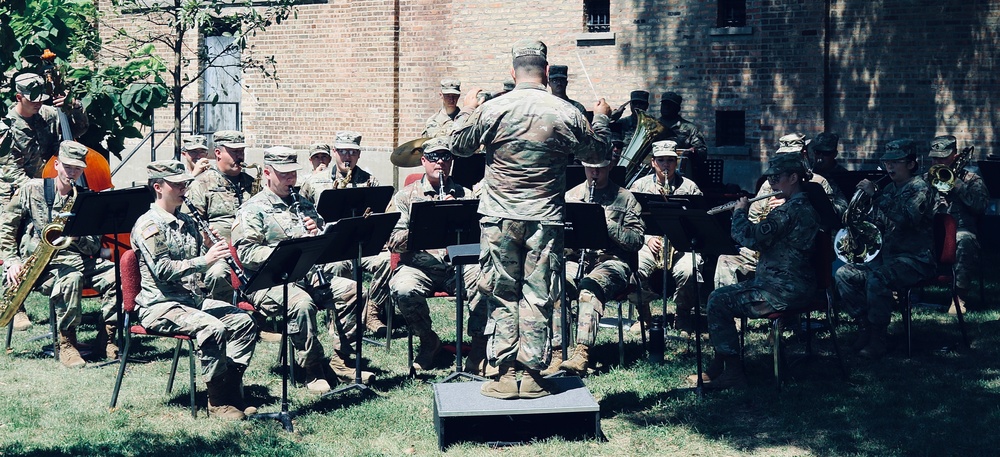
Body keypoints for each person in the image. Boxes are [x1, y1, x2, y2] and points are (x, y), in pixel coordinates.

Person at [451, 38, 611, 399]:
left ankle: (506, 375)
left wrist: (468, 109)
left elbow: (458, 146)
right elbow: (599, 154)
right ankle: (533, 376)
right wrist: (600, 119)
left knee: (503, 294)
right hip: (544, 219)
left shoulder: (493, 110)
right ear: (546, 69)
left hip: (498, 218)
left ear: (512, 71)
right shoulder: (565, 111)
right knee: (539, 296)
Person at [232, 146, 372, 393]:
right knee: (302, 305)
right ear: (267, 172)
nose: (291, 179)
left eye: (293, 174)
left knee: (354, 291)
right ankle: (313, 367)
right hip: (269, 281)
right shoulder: (252, 209)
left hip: (308, 276)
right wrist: (289, 251)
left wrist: (317, 235)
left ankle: (342, 360)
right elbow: (247, 254)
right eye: (283, 174)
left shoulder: (304, 204)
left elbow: (322, 246)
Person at [131, 160, 258, 420]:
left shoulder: (188, 221)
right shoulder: (148, 225)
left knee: (244, 321)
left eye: (185, 184)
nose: (183, 189)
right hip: (160, 305)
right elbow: (164, 270)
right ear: (158, 187)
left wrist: (210, 246)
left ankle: (228, 388)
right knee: (212, 328)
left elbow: (199, 263)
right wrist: (206, 259)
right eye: (176, 185)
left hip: (191, 301)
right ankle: (218, 402)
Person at [690, 152, 820, 389]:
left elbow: (749, 237)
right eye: (769, 179)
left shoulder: (788, 212)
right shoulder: (805, 206)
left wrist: (739, 211)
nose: (771, 184)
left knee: (717, 300)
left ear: (793, 178)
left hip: (782, 291)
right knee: (726, 293)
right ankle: (721, 362)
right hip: (796, 285)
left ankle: (732, 372)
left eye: (776, 178)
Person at [0, 141, 118, 367]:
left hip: (78, 259)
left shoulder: (86, 198)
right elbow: (6, 227)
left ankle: (106, 338)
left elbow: (95, 247)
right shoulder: (31, 189)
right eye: (67, 166)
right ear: (56, 165)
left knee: (116, 276)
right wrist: (12, 261)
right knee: (71, 279)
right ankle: (66, 343)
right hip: (42, 266)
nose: (72, 173)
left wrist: (75, 235)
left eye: (77, 168)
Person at [386, 137, 483, 372]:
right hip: (420, 267)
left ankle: (479, 345)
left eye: (446, 157)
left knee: (485, 282)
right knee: (403, 288)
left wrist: (458, 215)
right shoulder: (405, 196)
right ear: (423, 161)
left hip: (457, 266)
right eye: (433, 157)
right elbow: (392, 241)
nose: (440, 161)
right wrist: (427, 225)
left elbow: (481, 237)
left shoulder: (466, 195)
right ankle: (428, 341)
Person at [2, 73, 88, 332]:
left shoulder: (48, 115)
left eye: (43, 98)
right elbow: (9, 168)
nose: (39, 104)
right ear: (19, 97)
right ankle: (16, 302)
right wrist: (37, 189)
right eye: (33, 100)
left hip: (50, 184)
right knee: (13, 242)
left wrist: (73, 108)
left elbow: (79, 131)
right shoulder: (6, 125)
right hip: (15, 187)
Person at [836, 139, 935, 359]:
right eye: (887, 162)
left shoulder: (921, 188)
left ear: (911, 164)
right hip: (888, 258)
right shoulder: (889, 188)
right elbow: (877, 225)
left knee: (877, 279)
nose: (890, 167)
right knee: (844, 274)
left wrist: (876, 196)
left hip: (915, 260)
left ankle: (878, 337)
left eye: (896, 162)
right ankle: (865, 327)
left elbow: (908, 218)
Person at [715, 133, 845, 290]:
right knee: (726, 260)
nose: (785, 161)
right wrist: (767, 217)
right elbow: (754, 218)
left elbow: (830, 219)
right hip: (764, 245)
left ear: (803, 155)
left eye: (791, 156)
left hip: (795, 255)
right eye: (782, 156)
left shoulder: (818, 183)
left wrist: (788, 206)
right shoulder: (769, 184)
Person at [556, 157, 644, 376]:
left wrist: (607, 224)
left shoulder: (626, 198)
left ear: (610, 166)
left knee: (589, 287)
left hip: (611, 262)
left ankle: (582, 353)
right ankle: (558, 352)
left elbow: (637, 241)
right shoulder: (571, 196)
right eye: (590, 167)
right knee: (556, 285)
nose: (594, 172)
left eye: (599, 168)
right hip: (577, 260)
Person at [628, 140, 703, 334]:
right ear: (653, 162)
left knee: (690, 270)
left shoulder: (690, 187)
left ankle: (683, 314)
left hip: (682, 245)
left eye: (670, 160)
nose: (666, 165)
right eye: (661, 160)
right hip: (649, 242)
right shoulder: (639, 186)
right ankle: (643, 314)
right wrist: (646, 239)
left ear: (676, 162)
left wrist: (681, 239)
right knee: (632, 270)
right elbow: (629, 220)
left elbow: (700, 222)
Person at [323, 131, 391, 336]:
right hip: (333, 247)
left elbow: (383, 213)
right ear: (334, 152)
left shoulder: (371, 181)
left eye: (352, 152)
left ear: (359, 155)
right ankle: (337, 318)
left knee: (388, 261)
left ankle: (372, 309)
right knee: (336, 265)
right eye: (342, 151)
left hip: (364, 246)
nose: (347, 156)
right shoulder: (315, 181)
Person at [185, 130, 256, 301]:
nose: (240, 156)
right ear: (218, 153)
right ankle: (226, 315)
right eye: (234, 152)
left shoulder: (252, 183)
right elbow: (191, 228)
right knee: (218, 274)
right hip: (219, 254)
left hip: (251, 249)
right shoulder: (201, 183)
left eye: (242, 151)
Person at [926, 135, 988, 314]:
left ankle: (959, 298)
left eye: (942, 158)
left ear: (954, 155)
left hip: (959, 231)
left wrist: (960, 188)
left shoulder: (971, 179)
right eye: (934, 158)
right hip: (930, 232)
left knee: (965, 240)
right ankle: (896, 292)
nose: (937, 161)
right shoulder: (925, 178)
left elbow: (981, 206)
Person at [656, 91, 708, 186]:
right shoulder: (653, 126)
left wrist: (694, 151)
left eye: (670, 105)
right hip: (655, 171)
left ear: (678, 108)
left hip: (681, 173)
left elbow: (702, 151)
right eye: (664, 104)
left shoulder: (689, 128)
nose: (666, 107)